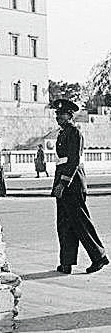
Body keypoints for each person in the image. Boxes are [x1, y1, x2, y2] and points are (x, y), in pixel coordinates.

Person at [51, 99, 108, 274]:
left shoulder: (74, 132)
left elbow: (74, 161)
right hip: (63, 181)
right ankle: (66, 263)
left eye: (61, 114)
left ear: (70, 115)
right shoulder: (63, 133)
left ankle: (99, 257)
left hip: (72, 183)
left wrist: (62, 183)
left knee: (80, 223)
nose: (58, 117)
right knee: (64, 224)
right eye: (57, 114)